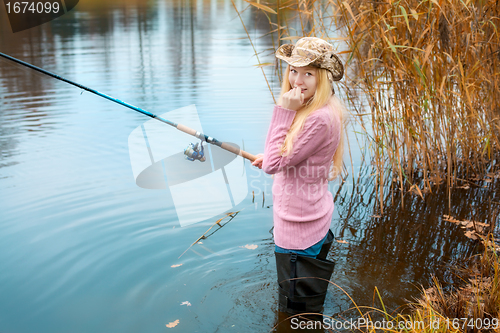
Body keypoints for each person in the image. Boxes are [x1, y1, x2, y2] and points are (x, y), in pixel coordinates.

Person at [251, 37, 345, 315]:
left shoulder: (317, 117)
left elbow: (273, 165)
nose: (297, 80)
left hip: (298, 232)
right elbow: (290, 155)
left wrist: (283, 111)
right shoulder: (322, 108)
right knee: (304, 308)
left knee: (296, 315)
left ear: (323, 77)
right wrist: (272, 156)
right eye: (293, 70)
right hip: (312, 219)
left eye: (308, 73)